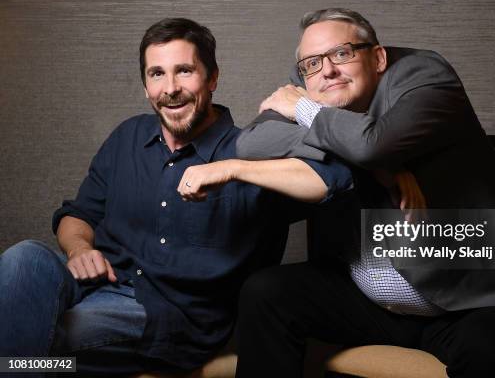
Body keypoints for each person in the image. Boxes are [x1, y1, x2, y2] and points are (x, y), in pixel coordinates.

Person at [0, 18, 351, 376]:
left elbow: (334, 179)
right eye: (157, 74)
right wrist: (79, 249)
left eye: (184, 71)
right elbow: (80, 214)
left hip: (166, 317)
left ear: (212, 78)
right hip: (94, 281)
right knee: (24, 258)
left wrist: (231, 169)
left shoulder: (251, 152)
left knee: (39, 340)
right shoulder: (127, 136)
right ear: (145, 85)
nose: (170, 88)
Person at [234, 8, 495, 377]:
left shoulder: (425, 75)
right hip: (371, 304)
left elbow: (375, 145)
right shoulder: (312, 79)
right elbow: (251, 144)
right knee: (266, 292)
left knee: (486, 348)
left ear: (378, 57)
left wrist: (309, 111)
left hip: (471, 298)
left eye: (342, 54)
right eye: (312, 63)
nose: (327, 71)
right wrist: (374, 165)